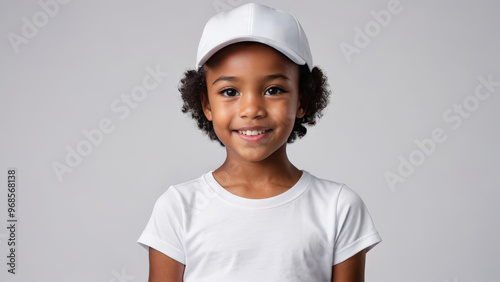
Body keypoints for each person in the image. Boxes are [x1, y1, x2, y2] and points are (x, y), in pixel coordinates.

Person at [138, 3, 381, 281]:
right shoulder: (178, 207)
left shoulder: (338, 207)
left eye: (273, 90)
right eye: (230, 91)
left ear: (302, 99)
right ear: (206, 103)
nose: (251, 109)